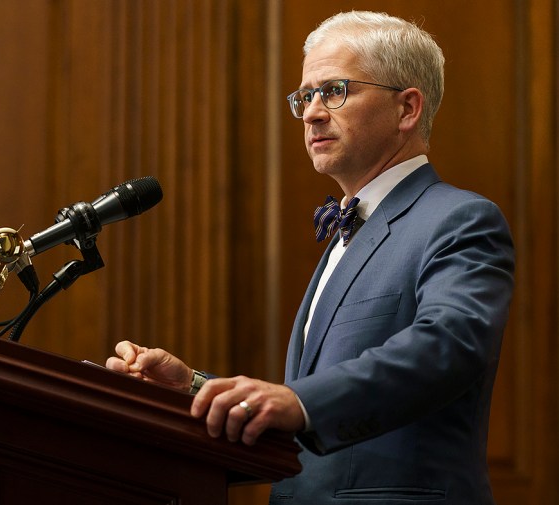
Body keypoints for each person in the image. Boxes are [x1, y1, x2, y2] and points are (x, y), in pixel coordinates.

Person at [106, 11, 514, 505]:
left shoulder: (459, 218)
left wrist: (299, 400)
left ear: (407, 109)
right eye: (305, 96)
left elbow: (449, 346)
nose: (311, 113)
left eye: (335, 91)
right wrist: (194, 388)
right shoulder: (349, 227)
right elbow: (308, 413)